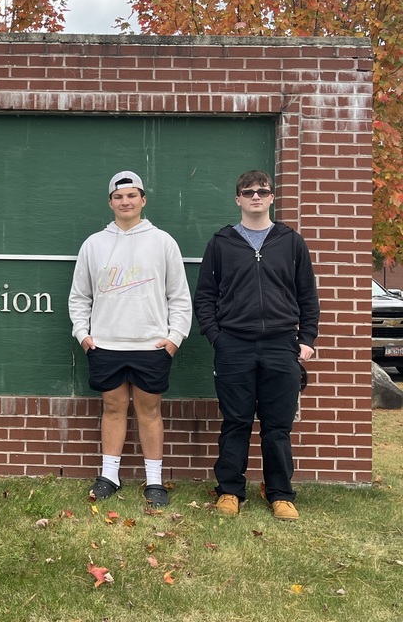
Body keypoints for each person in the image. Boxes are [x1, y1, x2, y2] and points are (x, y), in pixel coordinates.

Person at [193, 170, 318, 521]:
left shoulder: (290, 241)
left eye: (262, 191)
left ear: (272, 197)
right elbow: (205, 296)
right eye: (248, 192)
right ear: (238, 199)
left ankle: (280, 493)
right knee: (236, 422)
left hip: (281, 345)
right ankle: (230, 491)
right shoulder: (222, 242)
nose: (255, 197)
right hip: (234, 344)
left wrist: (306, 339)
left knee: (277, 426)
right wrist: (217, 337)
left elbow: (307, 294)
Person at [69, 171, 192, 507]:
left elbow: (179, 296)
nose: (126, 202)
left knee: (149, 411)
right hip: (106, 344)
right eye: (119, 197)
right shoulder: (94, 244)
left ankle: (155, 481)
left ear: (143, 200)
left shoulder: (163, 241)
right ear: (110, 202)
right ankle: (110, 475)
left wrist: (174, 337)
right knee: (113, 407)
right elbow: (79, 296)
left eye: (132, 196)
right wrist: (83, 333)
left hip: (151, 345)